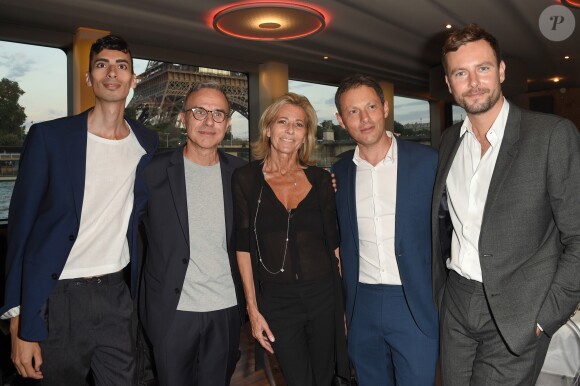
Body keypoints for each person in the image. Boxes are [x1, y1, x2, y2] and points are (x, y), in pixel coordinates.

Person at [0, 35, 159, 384]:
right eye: (102, 65)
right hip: (58, 298)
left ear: (134, 79)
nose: (112, 73)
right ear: (90, 78)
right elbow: (21, 228)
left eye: (122, 66)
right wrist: (18, 319)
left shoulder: (147, 143)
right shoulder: (49, 138)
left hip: (118, 295)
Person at [432, 23, 580, 385]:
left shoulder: (550, 136)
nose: (474, 82)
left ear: (500, 71)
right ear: (450, 84)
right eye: (460, 73)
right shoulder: (449, 141)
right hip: (457, 303)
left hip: (520, 311)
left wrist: (545, 319)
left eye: (482, 68)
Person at [233, 92, 349, 386]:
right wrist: (253, 309)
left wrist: (345, 306)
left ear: (306, 135)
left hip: (324, 295)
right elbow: (243, 247)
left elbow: (334, 246)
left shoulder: (321, 180)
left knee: (324, 378)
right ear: (268, 128)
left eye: (299, 124)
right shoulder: (245, 179)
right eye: (282, 121)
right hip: (278, 301)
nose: (289, 130)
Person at [332, 74, 439, 386]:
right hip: (360, 303)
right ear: (340, 120)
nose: (364, 118)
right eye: (353, 112)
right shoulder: (338, 173)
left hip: (414, 302)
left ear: (385, 107)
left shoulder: (428, 162)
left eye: (370, 107)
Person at [138, 82, 246, 386]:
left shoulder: (243, 174)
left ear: (228, 122)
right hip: (171, 314)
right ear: (183, 118)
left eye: (218, 114)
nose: (209, 121)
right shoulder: (151, 171)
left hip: (226, 311)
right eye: (199, 112)